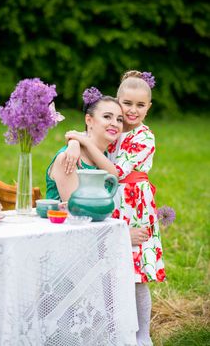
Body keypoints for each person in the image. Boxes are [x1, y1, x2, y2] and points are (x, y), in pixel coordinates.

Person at [65, 70, 166, 346]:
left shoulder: (145, 137)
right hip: (113, 200)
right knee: (112, 270)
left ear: (148, 108)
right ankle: (114, 330)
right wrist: (76, 140)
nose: (132, 110)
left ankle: (142, 335)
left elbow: (117, 171)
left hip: (135, 205)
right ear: (118, 101)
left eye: (140, 105)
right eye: (127, 104)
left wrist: (81, 140)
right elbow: (88, 133)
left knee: (136, 276)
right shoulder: (116, 131)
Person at [46, 87, 123, 202]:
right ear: (89, 120)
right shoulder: (69, 158)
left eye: (120, 119)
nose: (115, 124)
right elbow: (76, 209)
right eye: (107, 117)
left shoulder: (108, 156)